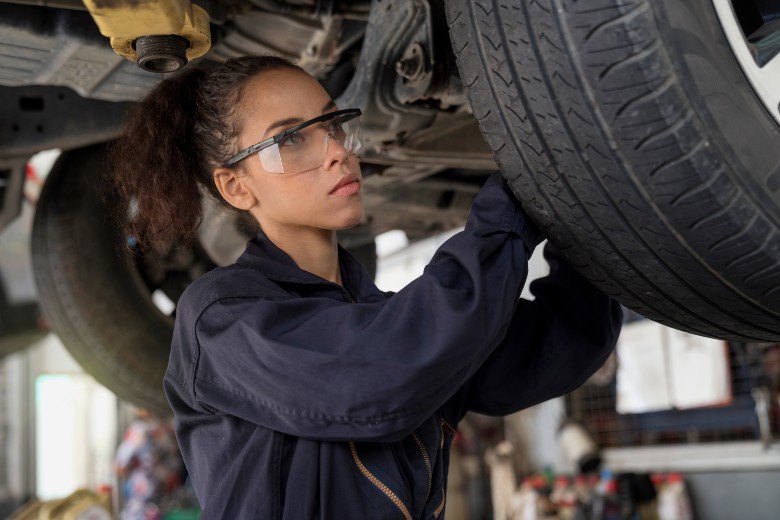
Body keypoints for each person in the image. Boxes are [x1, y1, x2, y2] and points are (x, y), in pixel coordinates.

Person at [108, 55, 622, 519]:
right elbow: (383, 378)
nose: (335, 150)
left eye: (332, 123)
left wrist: (593, 204)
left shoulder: (395, 329)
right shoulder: (222, 321)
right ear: (236, 186)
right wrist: (516, 192)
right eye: (290, 138)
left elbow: (561, 341)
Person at [114, 408, 184, 520]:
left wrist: (137, 464)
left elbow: (120, 467)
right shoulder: (172, 426)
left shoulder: (139, 430)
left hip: (147, 500)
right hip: (166, 499)